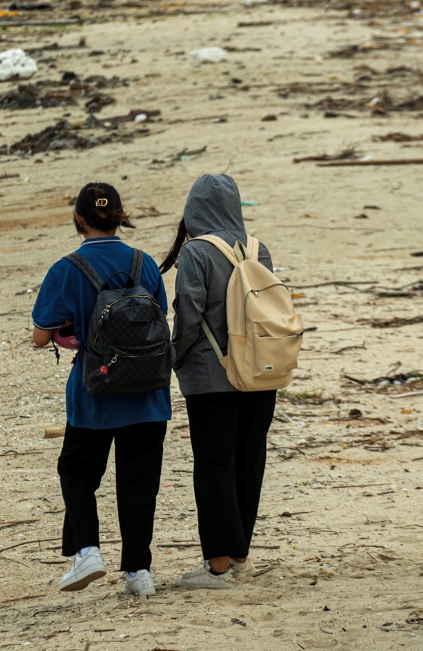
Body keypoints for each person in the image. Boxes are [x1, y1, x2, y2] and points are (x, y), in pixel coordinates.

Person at [31, 182, 171, 598]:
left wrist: (70, 334)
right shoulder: (144, 263)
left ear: (78, 218)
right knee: (139, 483)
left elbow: (41, 336)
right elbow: (157, 317)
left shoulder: (66, 268)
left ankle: (88, 549)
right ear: (121, 217)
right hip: (148, 391)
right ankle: (138, 572)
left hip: (94, 392)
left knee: (76, 473)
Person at [158, 174, 276, 590]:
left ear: (195, 208)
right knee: (249, 462)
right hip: (261, 374)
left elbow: (188, 316)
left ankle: (218, 567)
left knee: (214, 467)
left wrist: (173, 357)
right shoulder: (260, 249)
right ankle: (239, 557)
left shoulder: (196, 253)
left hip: (214, 378)